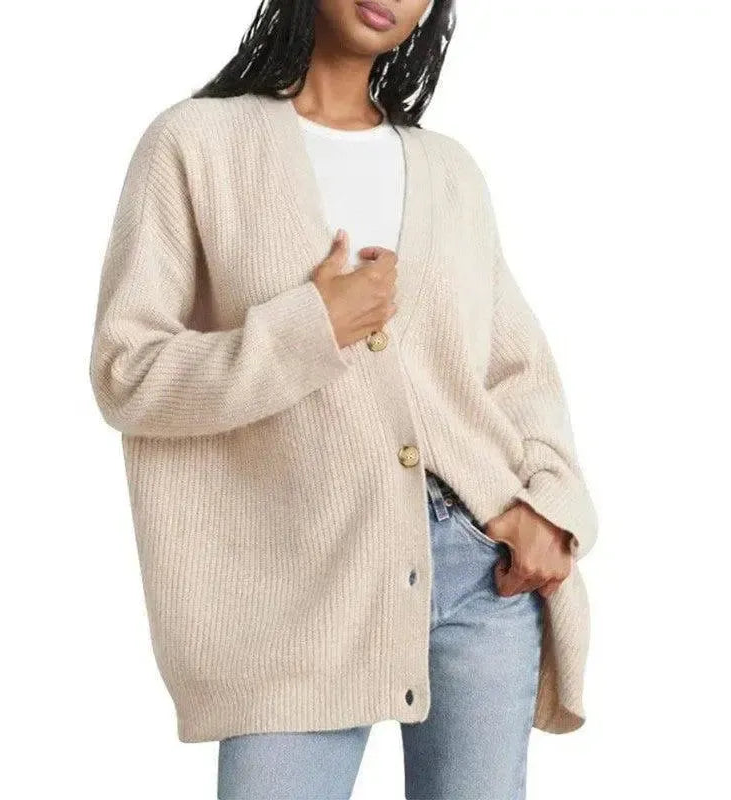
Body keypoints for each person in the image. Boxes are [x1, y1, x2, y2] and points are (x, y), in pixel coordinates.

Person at [88, 1, 598, 797]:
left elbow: (517, 370)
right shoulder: (195, 144)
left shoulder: (450, 172)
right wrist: (309, 328)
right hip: (292, 587)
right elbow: (128, 372)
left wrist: (551, 509)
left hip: (481, 571)